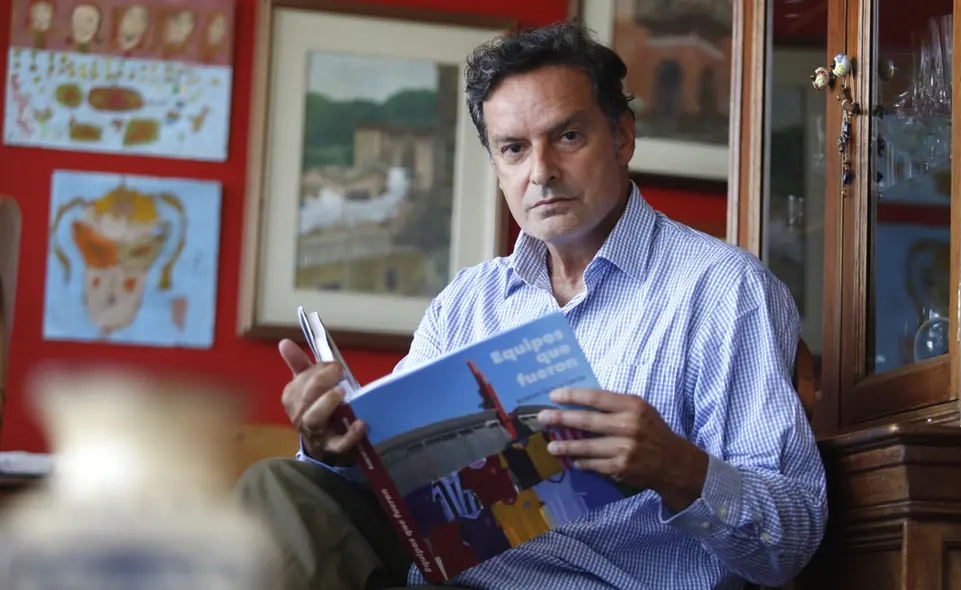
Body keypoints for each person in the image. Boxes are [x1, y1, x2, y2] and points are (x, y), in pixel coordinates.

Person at [235, 20, 828, 590]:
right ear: (496, 166)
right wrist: (334, 443)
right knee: (277, 483)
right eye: (514, 149)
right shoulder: (467, 302)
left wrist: (676, 467)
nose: (541, 172)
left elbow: (792, 541)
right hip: (435, 575)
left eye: (567, 136)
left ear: (621, 137)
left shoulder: (725, 291)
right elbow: (391, 482)